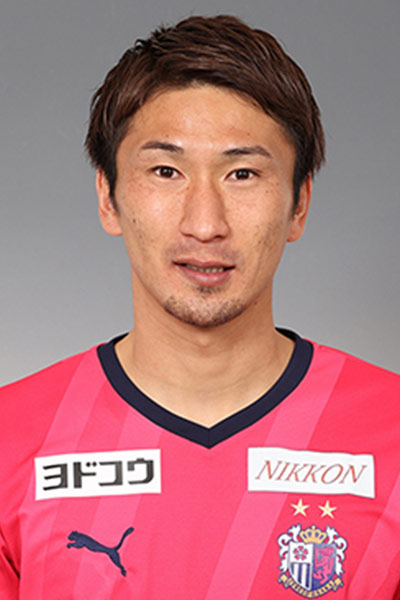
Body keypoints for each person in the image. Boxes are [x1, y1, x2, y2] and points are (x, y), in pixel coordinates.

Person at [0, 14, 399, 600]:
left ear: (298, 204)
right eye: (166, 171)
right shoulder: (10, 438)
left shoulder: (391, 430)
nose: (205, 223)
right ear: (108, 196)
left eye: (243, 173)